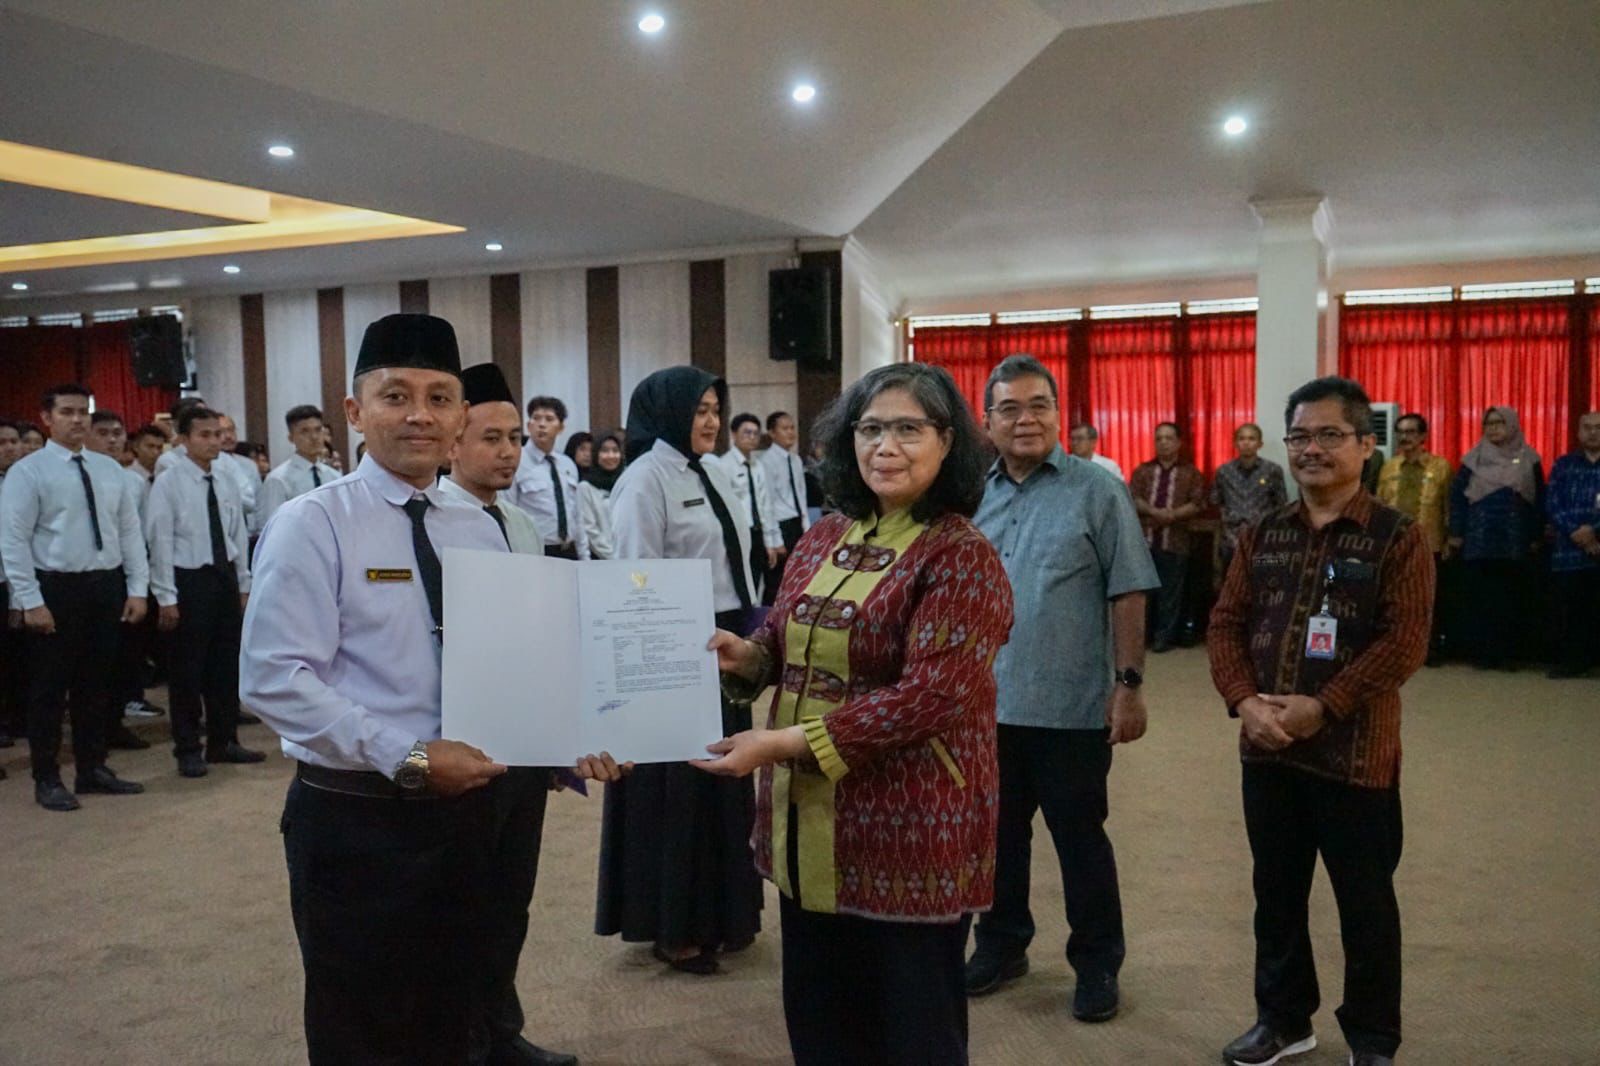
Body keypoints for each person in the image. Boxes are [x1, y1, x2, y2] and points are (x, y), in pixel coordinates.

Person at [242, 314, 621, 1064]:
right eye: (396, 396)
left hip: (468, 816)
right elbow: (273, 679)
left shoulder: (475, 526)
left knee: (455, 1009)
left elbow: (508, 660)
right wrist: (408, 755)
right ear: (355, 412)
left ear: (458, 416)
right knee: (365, 1022)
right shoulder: (312, 523)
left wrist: (563, 733)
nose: (419, 414)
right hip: (359, 816)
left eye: (439, 398)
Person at [694, 361, 1012, 1065]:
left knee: (913, 1030)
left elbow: (933, 696)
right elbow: (784, 640)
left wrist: (784, 743)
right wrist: (748, 657)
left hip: (911, 829)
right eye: (870, 429)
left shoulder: (961, 555)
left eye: (908, 430)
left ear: (947, 442)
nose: (885, 447)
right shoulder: (825, 535)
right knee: (821, 1019)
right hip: (809, 823)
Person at [1208, 376, 1432, 1066]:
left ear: (1365, 444)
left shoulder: (1398, 537)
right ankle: (1283, 1021)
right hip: (1267, 749)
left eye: (1330, 435)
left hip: (1357, 758)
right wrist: (1246, 702)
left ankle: (1373, 1037)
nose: (1312, 449)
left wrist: (1323, 706)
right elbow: (1226, 623)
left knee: (1366, 904)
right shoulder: (1262, 533)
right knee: (1275, 896)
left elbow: (1404, 642)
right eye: (1300, 436)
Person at [964, 355, 1158, 1023]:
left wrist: (1128, 685)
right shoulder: (969, 493)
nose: (1026, 419)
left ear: (1058, 413)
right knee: (996, 838)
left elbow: (1128, 588)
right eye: (1010, 408)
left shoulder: (1097, 489)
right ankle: (1001, 943)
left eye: (1039, 405)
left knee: (1080, 839)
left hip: (1070, 706)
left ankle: (1098, 962)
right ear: (987, 421)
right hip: (984, 705)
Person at [596, 366, 764, 976]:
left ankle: (725, 912)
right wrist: (657, 652)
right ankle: (675, 926)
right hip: (670, 640)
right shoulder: (644, 479)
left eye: (716, 408)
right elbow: (632, 575)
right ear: (667, 413)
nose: (711, 421)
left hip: (725, 641)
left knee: (724, 777)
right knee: (676, 789)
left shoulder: (713, 471)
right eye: (699, 410)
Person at [439, 362, 582, 1066]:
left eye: (515, 438)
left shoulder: (522, 524)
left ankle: (500, 1031)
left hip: (525, 742)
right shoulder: (431, 523)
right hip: (464, 746)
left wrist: (556, 735)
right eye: (490, 438)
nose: (508, 452)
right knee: (460, 905)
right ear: (452, 443)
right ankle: (460, 1039)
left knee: (510, 899)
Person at [0, 384, 149, 811]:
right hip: (56, 588)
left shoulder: (109, 469)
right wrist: (30, 600)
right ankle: (46, 777)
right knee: (49, 690)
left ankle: (92, 768)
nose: (78, 419)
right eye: (67, 412)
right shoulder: (28, 472)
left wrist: (137, 588)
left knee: (96, 685)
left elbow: (129, 532)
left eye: (83, 411)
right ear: (47, 419)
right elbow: (14, 540)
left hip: (105, 585)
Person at [145, 406, 262, 777]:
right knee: (187, 670)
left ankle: (223, 741)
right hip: (188, 579)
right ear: (183, 439)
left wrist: (243, 583)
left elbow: (236, 534)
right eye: (205, 435)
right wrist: (166, 596)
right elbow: (160, 540)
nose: (215, 441)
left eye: (218, 434)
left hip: (223, 576)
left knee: (225, 664)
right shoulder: (169, 481)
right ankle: (187, 748)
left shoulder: (225, 477)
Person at [1448, 406, 1544, 670]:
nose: (1493, 429)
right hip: (1479, 537)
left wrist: (1536, 534)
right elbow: (1457, 498)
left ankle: (1508, 655)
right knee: (1481, 597)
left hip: (1515, 537)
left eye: (1499, 423)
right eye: (1489, 424)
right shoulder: (1473, 460)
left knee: (1511, 596)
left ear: (1512, 425)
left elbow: (1538, 500)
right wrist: (1456, 533)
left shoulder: (1529, 459)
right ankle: (1482, 654)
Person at [88, 410, 163, 735]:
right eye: (103, 433)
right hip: (88, 573)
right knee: (92, 660)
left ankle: (115, 720)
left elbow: (135, 533)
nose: (112, 440)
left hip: (127, 571)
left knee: (124, 652)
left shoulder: (127, 478)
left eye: (117, 433)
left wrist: (138, 584)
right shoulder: (80, 474)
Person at [1375, 414, 1452, 663]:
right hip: (1394, 544)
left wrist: (1450, 539)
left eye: (1410, 432)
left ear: (1422, 436)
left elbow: (1448, 507)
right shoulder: (1389, 467)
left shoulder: (1440, 467)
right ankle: (1398, 647)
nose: (1404, 437)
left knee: (1428, 598)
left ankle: (1431, 648)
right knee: (1396, 599)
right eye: (1400, 432)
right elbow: (1379, 505)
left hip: (1429, 543)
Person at [1129, 422, 1205, 651]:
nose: (1163, 443)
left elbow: (1198, 502)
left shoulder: (1190, 472)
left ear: (1179, 443)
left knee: (1170, 593)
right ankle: (1143, 637)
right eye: (1159, 438)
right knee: (1143, 592)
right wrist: (1155, 512)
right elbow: (1133, 498)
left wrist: (1172, 515)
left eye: (1168, 438)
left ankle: (1164, 637)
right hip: (1144, 541)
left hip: (1176, 541)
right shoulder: (1143, 471)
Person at [1544, 410, 1600, 678]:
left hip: (1597, 545)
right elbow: (1552, 503)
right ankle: (1572, 662)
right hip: (1569, 550)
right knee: (1572, 610)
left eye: (1598, 427)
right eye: (1587, 427)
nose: (1593, 432)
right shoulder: (1564, 465)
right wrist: (1577, 532)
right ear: (1578, 432)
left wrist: (1594, 531)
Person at [716, 412, 784, 601]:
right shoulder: (723, 465)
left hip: (757, 532)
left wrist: (770, 542)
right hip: (737, 534)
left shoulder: (757, 465)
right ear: (734, 434)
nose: (752, 437)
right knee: (741, 584)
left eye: (755, 433)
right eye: (747, 432)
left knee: (760, 583)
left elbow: (765, 506)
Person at [510, 396, 587, 559]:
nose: (542, 424)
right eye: (536, 418)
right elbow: (509, 511)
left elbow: (577, 515)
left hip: (569, 550)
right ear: (528, 426)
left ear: (561, 427)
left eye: (549, 419)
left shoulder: (567, 464)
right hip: (535, 551)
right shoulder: (516, 461)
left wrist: (584, 556)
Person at [1210, 422, 1288, 571]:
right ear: (1235, 443)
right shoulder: (1224, 472)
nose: (1246, 443)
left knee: (1260, 579)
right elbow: (1215, 500)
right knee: (1232, 580)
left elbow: (1281, 502)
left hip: (1263, 537)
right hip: (1231, 538)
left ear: (1260, 444)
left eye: (1251, 439)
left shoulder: (1272, 470)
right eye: (1242, 438)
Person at [758, 410, 811, 604]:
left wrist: (806, 528)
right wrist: (776, 540)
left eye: (792, 428)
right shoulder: (765, 462)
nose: (791, 433)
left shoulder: (795, 460)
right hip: (780, 525)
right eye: (785, 428)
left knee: (798, 577)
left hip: (797, 523)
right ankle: (768, 616)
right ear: (772, 433)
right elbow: (767, 503)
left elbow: (801, 496)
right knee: (776, 582)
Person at [257, 405, 341, 527]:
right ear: (291, 438)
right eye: (305, 431)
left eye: (318, 430)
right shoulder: (278, 480)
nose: (314, 437)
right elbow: (271, 525)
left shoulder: (334, 477)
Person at [0, 419, 25, 752]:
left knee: (14, 656)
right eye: (2, 442)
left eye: (13, 441)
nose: (9, 448)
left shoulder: (24, 480)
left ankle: (17, 718)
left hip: (14, 580)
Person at [576, 432, 623, 560]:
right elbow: (589, 529)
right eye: (605, 451)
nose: (611, 455)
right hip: (601, 559)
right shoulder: (585, 487)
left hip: (629, 555)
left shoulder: (625, 483)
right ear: (596, 454)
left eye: (615, 451)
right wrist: (614, 557)